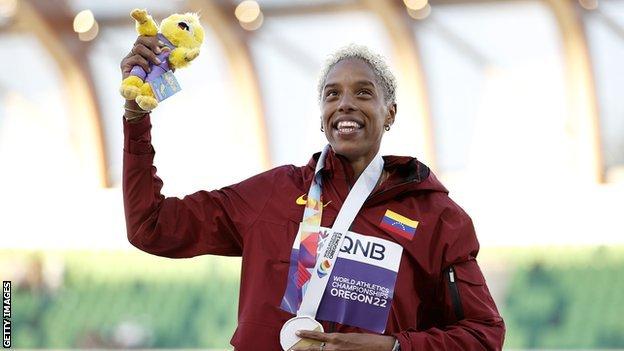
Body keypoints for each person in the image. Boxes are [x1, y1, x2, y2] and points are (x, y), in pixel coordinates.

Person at [120, 36, 505, 351]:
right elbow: (150, 226)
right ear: (322, 115)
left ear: (390, 113)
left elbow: (484, 334)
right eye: (332, 94)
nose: (345, 104)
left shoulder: (437, 217)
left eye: (364, 93)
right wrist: (136, 120)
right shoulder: (272, 194)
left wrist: (393, 347)